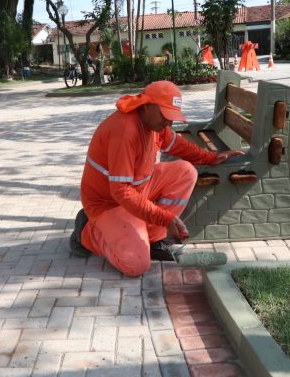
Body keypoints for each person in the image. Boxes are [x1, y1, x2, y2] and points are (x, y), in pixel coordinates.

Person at [70, 81, 245, 277]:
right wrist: (164, 217)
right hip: (109, 203)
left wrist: (211, 158)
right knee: (136, 264)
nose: (169, 123)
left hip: (135, 191)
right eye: (165, 115)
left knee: (186, 172)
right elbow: (120, 191)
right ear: (147, 106)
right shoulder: (125, 131)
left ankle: (155, 239)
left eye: (171, 117)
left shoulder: (154, 124)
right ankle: (85, 230)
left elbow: (177, 144)